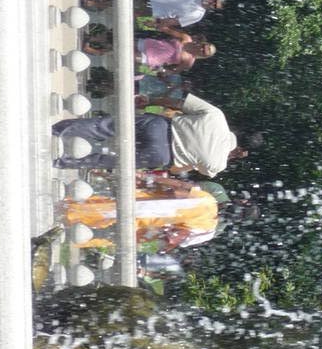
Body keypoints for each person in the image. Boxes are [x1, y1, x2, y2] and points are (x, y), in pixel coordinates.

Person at [53, 94, 246, 176]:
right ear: (235, 151)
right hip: (162, 156)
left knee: (104, 127)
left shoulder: (217, 116)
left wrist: (149, 101)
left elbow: (179, 103)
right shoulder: (219, 165)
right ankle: (62, 162)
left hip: (160, 127)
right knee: (110, 160)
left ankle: (58, 130)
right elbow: (186, 168)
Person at [61, 174, 221, 250]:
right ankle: (65, 235)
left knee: (83, 210)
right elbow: (173, 241)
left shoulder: (207, 201)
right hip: (140, 231)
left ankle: (60, 215)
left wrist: (147, 178)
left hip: (142, 206)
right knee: (88, 235)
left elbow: (176, 189)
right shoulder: (208, 230)